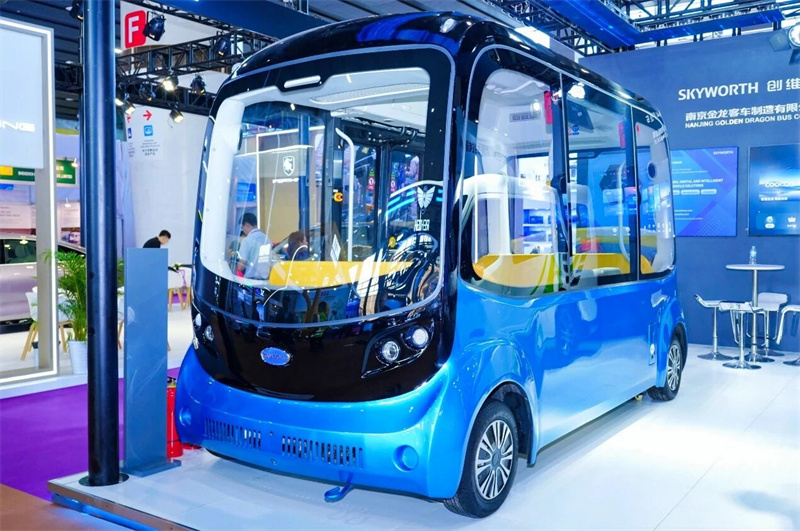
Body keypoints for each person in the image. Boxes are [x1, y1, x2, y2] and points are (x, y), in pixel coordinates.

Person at [237, 213, 270, 279]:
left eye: (242, 228)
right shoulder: (267, 239)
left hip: (250, 279)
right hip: (265, 279)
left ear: (247, 225)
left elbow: (241, 265)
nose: (243, 230)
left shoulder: (247, 240)